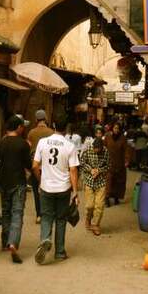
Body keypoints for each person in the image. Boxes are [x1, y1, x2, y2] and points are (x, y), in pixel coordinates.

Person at [32, 118, 79, 264]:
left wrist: (40, 180)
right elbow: (73, 170)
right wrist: (75, 191)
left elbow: (34, 165)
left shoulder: (42, 142)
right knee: (61, 219)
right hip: (63, 188)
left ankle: (45, 239)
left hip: (46, 187)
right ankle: (59, 252)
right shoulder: (70, 146)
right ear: (66, 128)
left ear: (53, 125)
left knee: (46, 216)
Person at [0, 115, 32, 264]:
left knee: (6, 211)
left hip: (3, 182)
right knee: (17, 213)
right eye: (22, 126)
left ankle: (5, 242)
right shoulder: (23, 144)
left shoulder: (1, 143)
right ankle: (13, 243)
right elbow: (29, 165)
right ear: (18, 127)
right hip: (18, 182)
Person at [27, 110, 53, 224]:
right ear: (45, 119)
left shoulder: (31, 132)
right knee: (48, 190)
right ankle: (48, 213)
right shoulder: (51, 132)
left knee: (36, 191)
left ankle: (39, 215)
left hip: (35, 165)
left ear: (36, 120)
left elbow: (29, 148)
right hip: (48, 165)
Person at [80, 136, 110, 236]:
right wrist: (91, 169)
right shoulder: (88, 150)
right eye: (95, 149)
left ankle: (95, 224)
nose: (96, 150)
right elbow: (82, 163)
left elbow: (108, 165)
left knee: (99, 206)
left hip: (101, 182)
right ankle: (88, 219)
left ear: (102, 148)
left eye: (98, 149)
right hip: (89, 181)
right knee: (89, 206)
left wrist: (99, 170)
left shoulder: (105, 152)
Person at [104, 121, 129, 205]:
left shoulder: (123, 138)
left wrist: (126, 160)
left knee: (118, 182)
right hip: (109, 163)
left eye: (118, 128)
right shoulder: (107, 136)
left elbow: (126, 150)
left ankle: (116, 198)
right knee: (108, 181)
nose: (116, 130)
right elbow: (104, 148)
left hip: (119, 163)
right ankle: (107, 198)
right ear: (112, 128)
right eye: (115, 128)